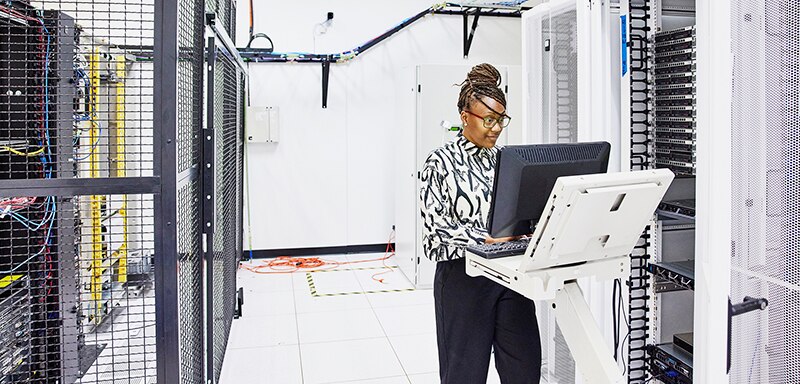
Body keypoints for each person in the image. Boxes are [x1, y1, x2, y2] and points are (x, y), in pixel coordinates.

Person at [419, 63, 542, 384]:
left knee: (524, 366)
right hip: (462, 278)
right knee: (465, 374)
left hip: (509, 274)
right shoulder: (440, 161)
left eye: (501, 119)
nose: (496, 127)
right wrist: (486, 238)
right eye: (489, 120)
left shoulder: (507, 159)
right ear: (464, 117)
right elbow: (435, 228)